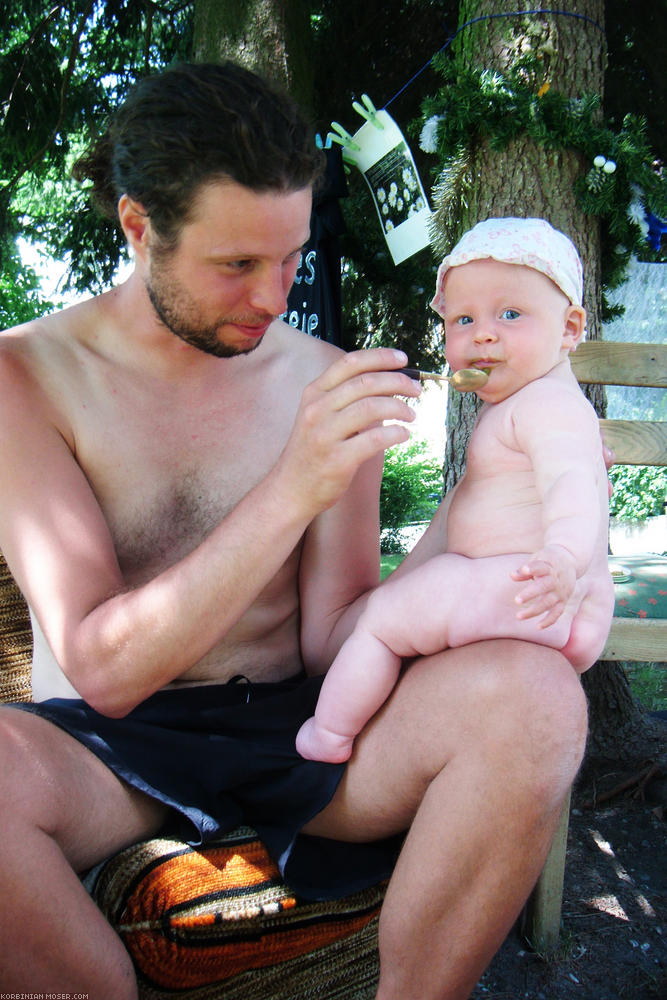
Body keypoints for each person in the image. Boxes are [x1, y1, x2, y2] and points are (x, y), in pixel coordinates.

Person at [0, 63, 595, 1000]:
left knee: (538, 700)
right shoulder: (26, 378)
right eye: (236, 264)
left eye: (290, 257)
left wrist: (474, 533)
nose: (274, 296)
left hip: (295, 728)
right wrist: (291, 486)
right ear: (138, 227)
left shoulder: (321, 378)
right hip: (107, 752)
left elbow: (334, 638)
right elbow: (104, 669)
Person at [297, 217, 615, 763]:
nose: (483, 334)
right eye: (463, 319)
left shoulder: (547, 404)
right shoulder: (534, 403)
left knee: (381, 624)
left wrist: (563, 555)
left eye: (510, 314)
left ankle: (328, 734)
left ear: (569, 328)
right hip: (547, 600)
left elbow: (574, 484)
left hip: (520, 587)